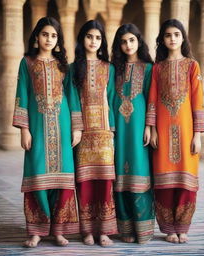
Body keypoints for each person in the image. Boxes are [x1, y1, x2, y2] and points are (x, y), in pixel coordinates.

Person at [12, 17, 83, 248]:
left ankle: (58, 230)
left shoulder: (64, 65)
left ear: (58, 39)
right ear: (36, 36)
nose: (49, 39)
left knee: (63, 180)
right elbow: (21, 94)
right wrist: (24, 129)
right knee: (37, 177)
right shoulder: (27, 62)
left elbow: (72, 96)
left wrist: (77, 127)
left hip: (62, 127)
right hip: (37, 127)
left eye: (54, 36)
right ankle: (36, 230)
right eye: (45, 34)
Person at [146, 19, 204, 244]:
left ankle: (183, 226)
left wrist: (197, 135)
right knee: (164, 182)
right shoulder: (157, 68)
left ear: (183, 38)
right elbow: (152, 99)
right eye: (168, 35)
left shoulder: (192, 66)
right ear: (162, 39)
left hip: (187, 132)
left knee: (186, 182)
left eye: (176, 34)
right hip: (162, 131)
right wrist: (151, 129)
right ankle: (168, 228)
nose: (172, 38)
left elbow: (198, 101)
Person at [70, 20, 117, 247]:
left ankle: (105, 230)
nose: (93, 41)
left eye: (98, 38)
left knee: (105, 182)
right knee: (85, 182)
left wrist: (112, 130)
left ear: (102, 42)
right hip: (84, 133)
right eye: (89, 37)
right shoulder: (73, 68)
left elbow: (113, 100)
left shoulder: (109, 68)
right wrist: (77, 128)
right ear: (82, 39)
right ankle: (87, 230)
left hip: (105, 133)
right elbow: (71, 99)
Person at [111, 23, 155, 244]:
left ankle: (144, 228)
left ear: (139, 41)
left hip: (139, 131)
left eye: (132, 40)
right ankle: (126, 228)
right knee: (120, 176)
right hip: (118, 130)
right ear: (118, 45)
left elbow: (152, 99)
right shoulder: (113, 69)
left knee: (139, 173)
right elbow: (108, 100)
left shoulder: (148, 68)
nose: (128, 45)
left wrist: (149, 126)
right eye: (123, 41)